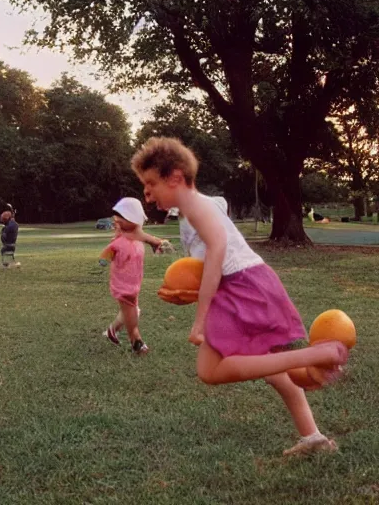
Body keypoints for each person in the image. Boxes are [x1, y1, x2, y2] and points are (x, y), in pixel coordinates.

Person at [132, 136, 349, 456]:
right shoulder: (200, 205)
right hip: (247, 284)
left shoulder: (195, 207)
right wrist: (188, 290)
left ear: (175, 177)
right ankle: (313, 438)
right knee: (272, 370)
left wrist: (201, 319)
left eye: (151, 183)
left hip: (244, 287)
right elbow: (212, 252)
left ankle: (316, 355)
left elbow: (218, 249)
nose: (148, 195)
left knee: (210, 370)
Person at [98, 198, 164, 355]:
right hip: (122, 286)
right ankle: (137, 342)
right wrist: (104, 260)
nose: (116, 220)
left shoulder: (136, 238)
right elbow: (105, 256)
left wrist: (158, 244)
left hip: (134, 284)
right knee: (131, 313)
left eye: (121, 217)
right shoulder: (118, 243)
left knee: (133, 311)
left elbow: (148, 238)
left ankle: (111, 330)